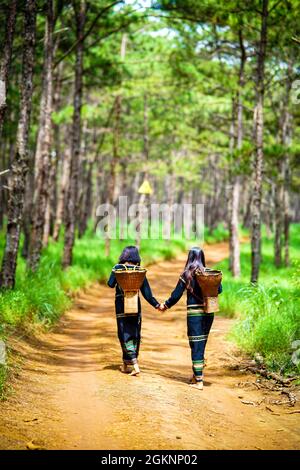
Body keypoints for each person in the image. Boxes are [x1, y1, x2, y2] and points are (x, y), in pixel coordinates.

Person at [159, 247, 222, 390]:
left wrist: (165, 305)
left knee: (195, 344)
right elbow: (219, 290)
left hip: (194, 314)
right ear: (202, 258)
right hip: (208, 312)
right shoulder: (209, 273)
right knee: (201, 343)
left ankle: (199, 380)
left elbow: (176, 295)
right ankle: (196, 375)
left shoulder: (187, 274)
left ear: (189, 258)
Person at [108, 245, 160, 376]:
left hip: (121, 306)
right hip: (135, 306)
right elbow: (147, 294)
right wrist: (158, 305)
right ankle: (126, 364)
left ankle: (135, 365)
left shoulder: (117, 268)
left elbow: (110, 284)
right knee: (134, 333)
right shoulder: (140, 271)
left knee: (123, 333)